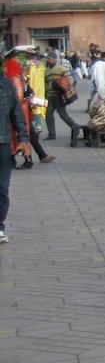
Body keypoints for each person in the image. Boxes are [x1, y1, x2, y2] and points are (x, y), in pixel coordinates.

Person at [1, 70, 32, 243]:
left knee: (1, 188)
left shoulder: (6, 86)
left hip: (3, 143)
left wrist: (23, 139)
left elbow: (17, 115)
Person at [43, 50, 81, 140]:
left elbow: (70, 79)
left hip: (59, 96)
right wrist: (45, 93)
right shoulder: (46, 71)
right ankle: (51, 134)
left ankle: (75, 127)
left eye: (50, 59)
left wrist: (62, 85)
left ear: (55, 60)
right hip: (50, 96)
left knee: (63, 115)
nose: (48, 60)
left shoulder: (61, 69)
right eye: (47, 59)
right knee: (48, 115)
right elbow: (45, 83)